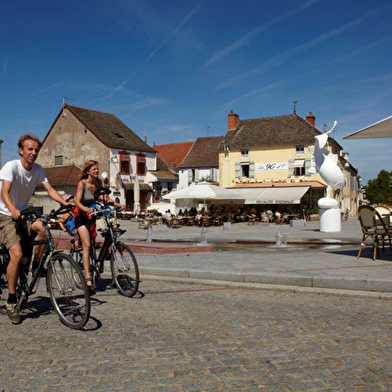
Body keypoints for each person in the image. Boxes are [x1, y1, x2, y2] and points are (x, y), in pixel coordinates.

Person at [0, 134, 69, 324]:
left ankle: (35, 267)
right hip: (5, 215)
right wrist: (13, 209)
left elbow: (50, 190)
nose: (33, 152)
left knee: (43, 229)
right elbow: (4, 192)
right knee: (16, 253)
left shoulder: (38, 169)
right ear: (21, 151)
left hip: (24, 214)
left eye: (36, 150)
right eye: (30, 149)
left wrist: (66, 203)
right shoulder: (11, 167)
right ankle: (12, 301)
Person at [74, 161, 123, 294]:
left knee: (106, 234)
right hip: (81, 216)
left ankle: (99, 260)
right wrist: (85, 209)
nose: (96, 171)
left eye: (97, 169)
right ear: (88, 171)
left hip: (94, 215)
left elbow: (106, 199)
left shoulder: (100, 183)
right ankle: (88, 279)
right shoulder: (82, 183)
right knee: (86, 244)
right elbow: (76, 201)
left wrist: (118, 205)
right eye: (94, 169)